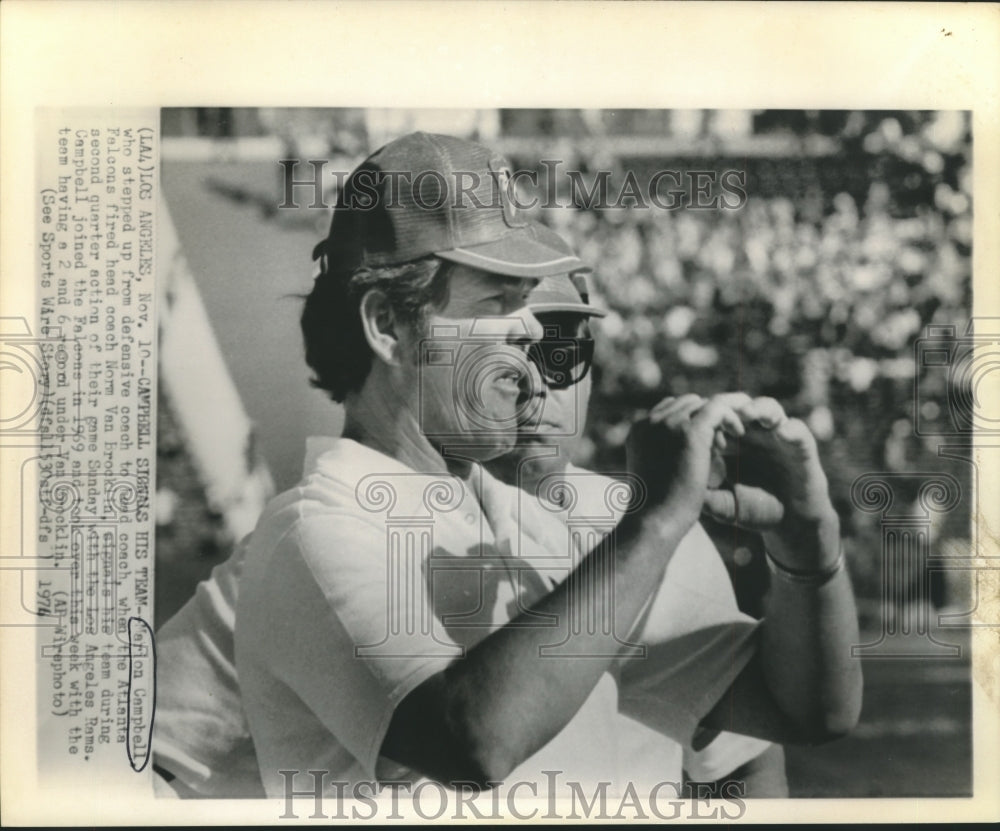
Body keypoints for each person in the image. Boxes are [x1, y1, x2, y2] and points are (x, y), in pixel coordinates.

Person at [159, 131, 862, 801]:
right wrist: (653, 523)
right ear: (387, 325)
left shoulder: (556, 523)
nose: (531, 334)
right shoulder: (312, 531)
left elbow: (799, 713)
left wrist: (806, 547)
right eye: (498, 302)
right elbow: (475, 740)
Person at [483, 271, 788, 797]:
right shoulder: (385, 523)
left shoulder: (651, 519)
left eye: (561, 352)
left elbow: (745, 763)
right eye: (505, 352)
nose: (535, 386)